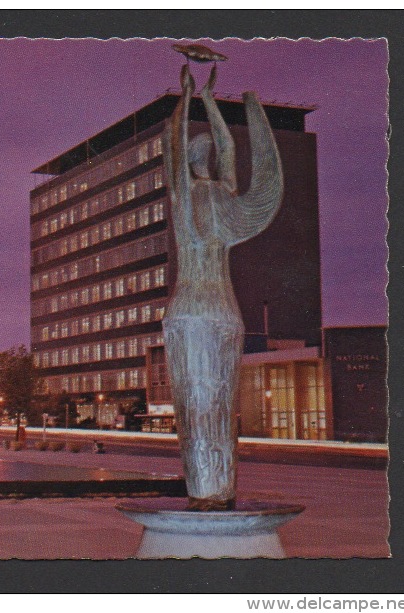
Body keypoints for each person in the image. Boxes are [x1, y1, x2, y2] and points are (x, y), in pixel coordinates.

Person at [162, 63, 283, 511]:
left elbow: (207, 148)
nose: (208, 157)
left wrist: (201, 100)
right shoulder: (201, 196)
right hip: (213, 309)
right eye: (204, 153)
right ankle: (211, 492)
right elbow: (183, 148)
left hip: (198, 309)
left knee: (203, 403)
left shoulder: (200, 195)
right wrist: (196, 99)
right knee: (204, 404)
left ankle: (211, 493)